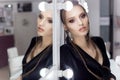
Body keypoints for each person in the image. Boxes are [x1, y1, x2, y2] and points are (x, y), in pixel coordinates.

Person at [60, 0, 116, 80]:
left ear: (87, 17)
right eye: (72, 20)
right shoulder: (65, 52)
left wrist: (111, 77)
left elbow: (106, 72)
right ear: (65, 27)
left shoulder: (99, 41)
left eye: (82, 16)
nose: (80, 23)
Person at [17, 1, 53, 80]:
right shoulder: (35, 41)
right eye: (40, 17)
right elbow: (26, 70)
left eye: (50, 21)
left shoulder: (57, 52)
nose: (41, 23)